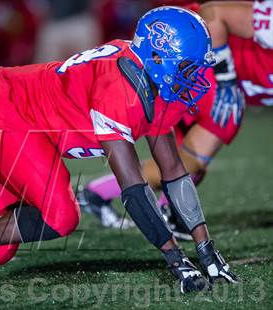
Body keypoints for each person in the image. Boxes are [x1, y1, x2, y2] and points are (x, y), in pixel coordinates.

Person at [0, 7, 237, 294]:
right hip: (1, 112)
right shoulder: (119, 90)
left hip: (23, 123)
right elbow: (134, 190)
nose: (198, 78)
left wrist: (206, 250)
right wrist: (177, 262)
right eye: (189, 67)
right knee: (61, 214)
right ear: (160, 58)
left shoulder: (154, 85)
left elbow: (173, 173)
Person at [79, 0, 273, 239]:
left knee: (178, 159)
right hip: (198, 66)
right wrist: (227, 76)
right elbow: (214, 14)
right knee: (190, 159)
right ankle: (166, 211)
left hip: (212, 80)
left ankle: (98, 194)